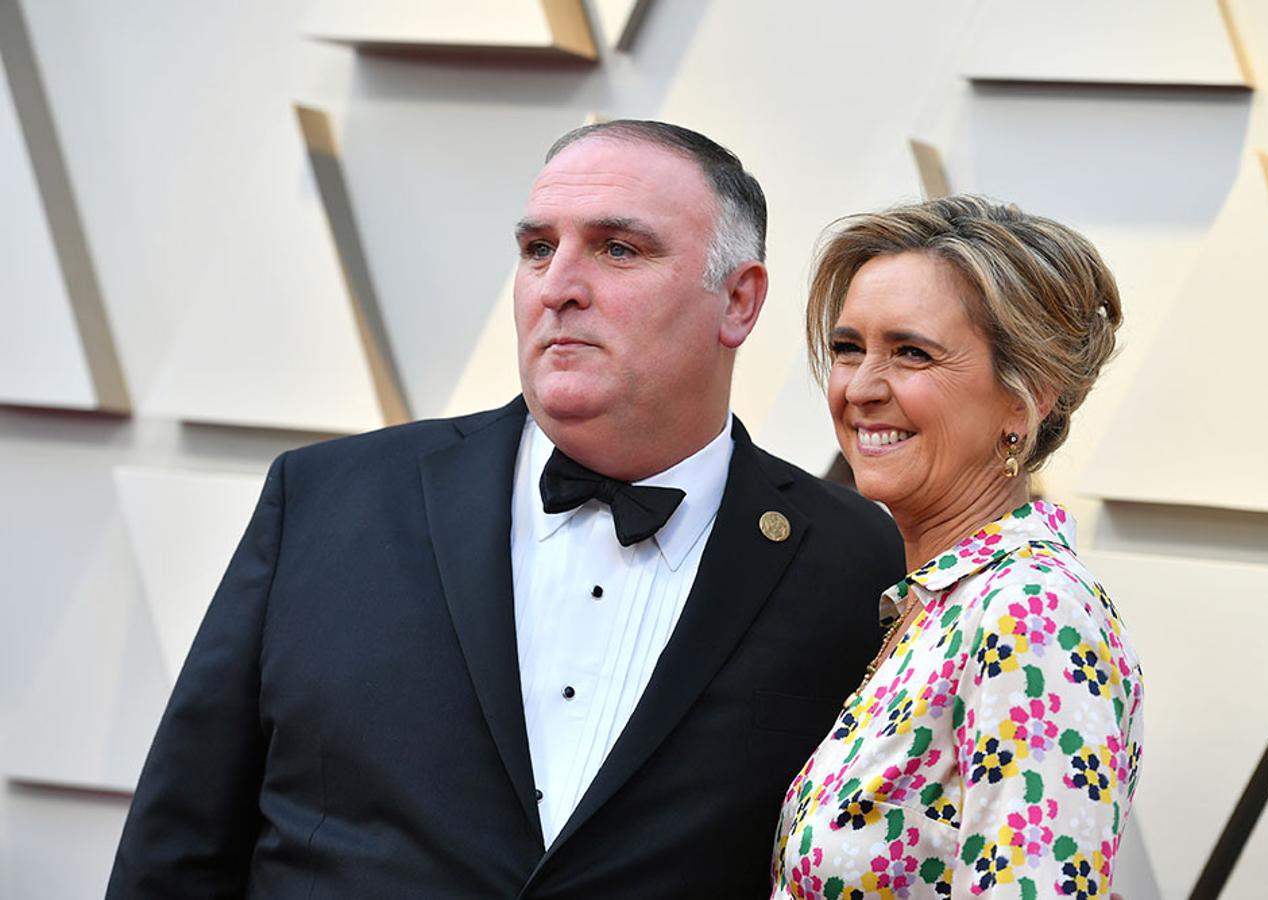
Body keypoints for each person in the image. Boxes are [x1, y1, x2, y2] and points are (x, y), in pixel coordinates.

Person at [105, 120, 903, 898]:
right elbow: (177, 846)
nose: (557, 287)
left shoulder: (852, 560)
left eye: (617, 249)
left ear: (737, 301)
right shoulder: (327, 500)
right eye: (536, 249)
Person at [770, 198, 1143, 899]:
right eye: (848, 348)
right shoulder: (937, 604)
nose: (860, 388)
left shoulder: (1031, 611)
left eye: (911, 353)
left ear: (1023, 397)